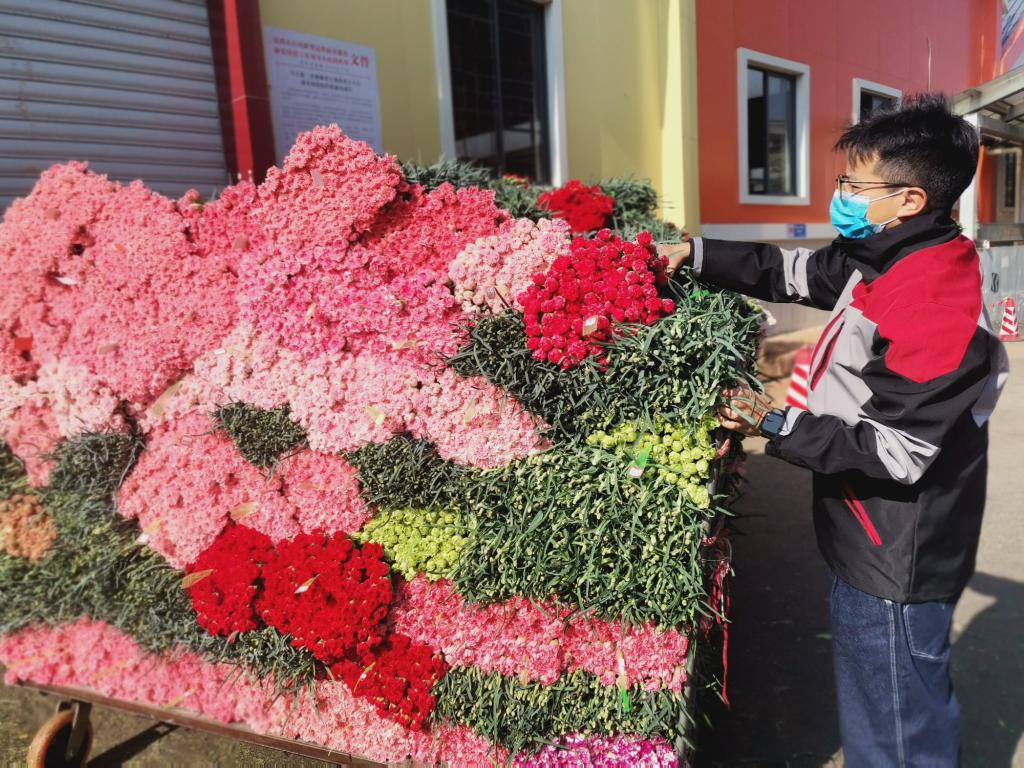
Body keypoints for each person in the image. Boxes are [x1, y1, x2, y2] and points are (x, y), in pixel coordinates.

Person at [661, 93, 1009, 767]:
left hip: (896, 549)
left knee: (899, 728)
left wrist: (773, 419)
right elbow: (789, 271)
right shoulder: (886, 256)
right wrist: (692, 251)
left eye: (854, 184)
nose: (840, 195)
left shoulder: (938, 302)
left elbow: (896, 452)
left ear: (909, 197)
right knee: (883, 703)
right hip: (864, 527)